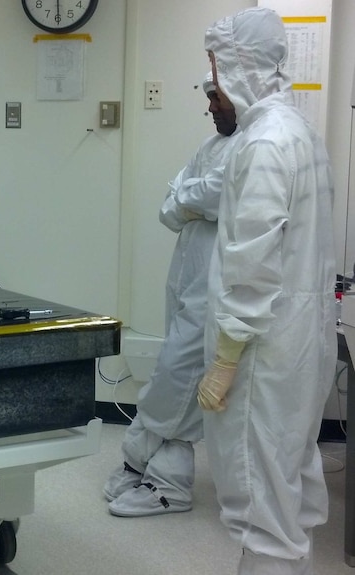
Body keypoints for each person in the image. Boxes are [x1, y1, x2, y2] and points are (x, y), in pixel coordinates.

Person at [199, 7, 336, 574]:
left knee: (259, 500)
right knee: (288, 493)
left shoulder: (262, 145)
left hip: (262, 354)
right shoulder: (300, 130)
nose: (214, 89)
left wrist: (226, 358)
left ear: (242, 68)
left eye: (217, 73)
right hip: (301, 344)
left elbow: (251, 266)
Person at [103, 73, 239, 517]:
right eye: (209, 99)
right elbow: (172, 203)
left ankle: (147, 466)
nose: (212, 108)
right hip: (188, 269)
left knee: (180, 373)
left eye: (219, 99)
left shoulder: (255, 146)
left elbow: (218, 195)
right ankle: (159, 474)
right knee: (172, 364)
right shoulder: (210, 146)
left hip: (219, 278)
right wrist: (192, 197)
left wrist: (190, 196)